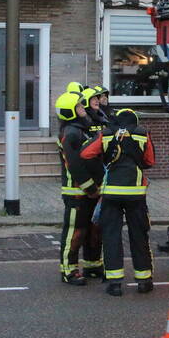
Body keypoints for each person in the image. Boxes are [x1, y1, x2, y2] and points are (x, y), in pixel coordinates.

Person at [81, 108, 155, 296]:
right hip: (136, 194)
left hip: (111, 194)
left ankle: (115, 283)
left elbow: (86, 154)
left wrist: (103, 164)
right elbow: (149, 161)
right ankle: (144, 281)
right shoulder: (142, 133)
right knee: (139, 236)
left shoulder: (106, 134)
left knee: (111, 236)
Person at [55, 91, 100, 285]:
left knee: (92, 229)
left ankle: (92, 264)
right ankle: (69, 270)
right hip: (77, 192)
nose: (84, 109)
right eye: (80, 107)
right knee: (76, 231)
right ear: (71, 112)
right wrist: (91, 188)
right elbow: (74, 164)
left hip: (88, 191)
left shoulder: (80, 129)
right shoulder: (71, 134)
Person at [76, 87, 106, 279]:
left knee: (98, 227)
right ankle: (87, 264)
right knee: (85, 227)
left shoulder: (103, 116)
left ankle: (94, 264)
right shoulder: (85, 122)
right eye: (94, 98)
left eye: (100, 98)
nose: (98, 100)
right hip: (89, 183)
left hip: (102, 179)